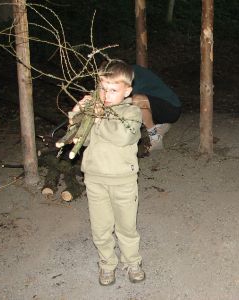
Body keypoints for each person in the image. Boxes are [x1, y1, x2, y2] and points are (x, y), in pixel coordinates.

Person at [74, 60, 145, 286]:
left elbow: (123, 136)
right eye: (103, 88)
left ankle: (132, 262)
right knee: (101, 227)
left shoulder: (132, 112)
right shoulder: (95, 112)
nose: (106, 94)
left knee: (126, 227)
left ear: (127, 91)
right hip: (95, 180)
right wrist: (77, 113)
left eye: (113, 90)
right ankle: (106, 264)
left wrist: (98, 117)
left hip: (123, 181)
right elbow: (81, 140)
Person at [131, 64, 182, 150]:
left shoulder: (132, 72)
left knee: (137, 100)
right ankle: (160, 126)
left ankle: (155, 139)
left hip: (171, 108)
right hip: (158, 108)